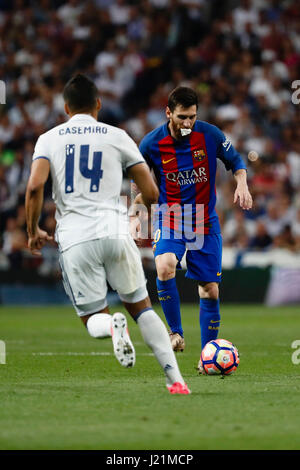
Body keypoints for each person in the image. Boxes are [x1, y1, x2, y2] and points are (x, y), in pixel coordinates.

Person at [25, 74, 190, 394]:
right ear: (98, 104)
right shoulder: (118, 136)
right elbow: (151, 190)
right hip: (115, 231)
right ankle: (177, 380)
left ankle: (115, 329)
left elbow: (34, 187)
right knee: (142, 307)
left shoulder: (49, 138)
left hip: (76, 237)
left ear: (66, 107)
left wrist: (33, 231)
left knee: (92, 318)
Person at [130, 86, 253, 371]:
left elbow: (236, 162)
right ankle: (174, 333)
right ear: (168, 113)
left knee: (209, 290)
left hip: (205, 221)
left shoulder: (210, 134)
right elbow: (139, 182)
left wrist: (242, 183)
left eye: (192, 117)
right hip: (171, 216)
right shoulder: (150, 144)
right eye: (182, 117)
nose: (187, 124)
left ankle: (206, 357)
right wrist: (136, 213)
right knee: (164, 266)